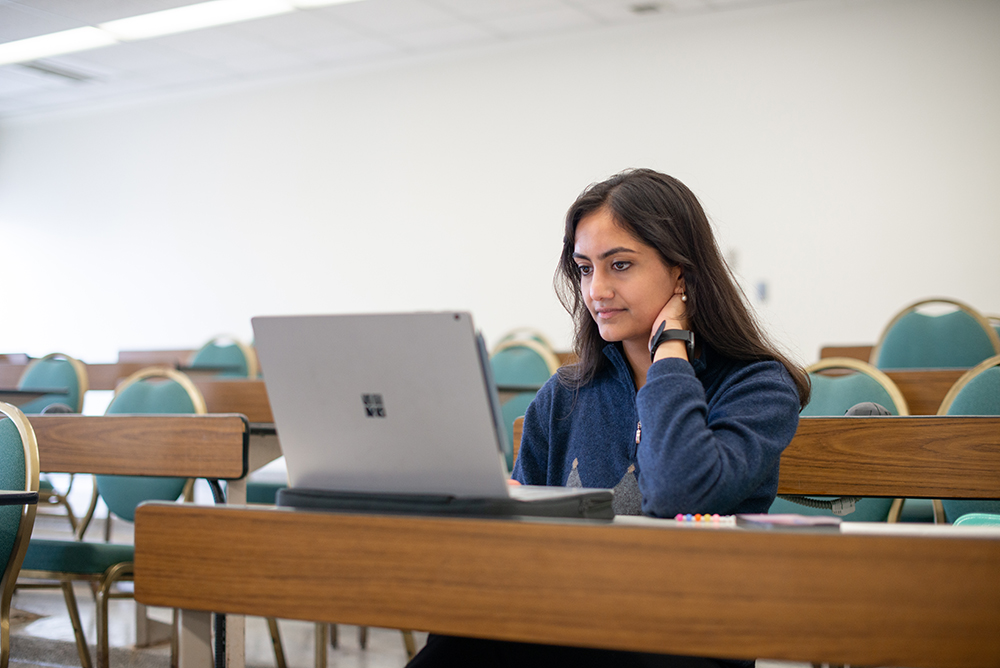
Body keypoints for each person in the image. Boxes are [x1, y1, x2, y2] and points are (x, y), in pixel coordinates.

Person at [406, 168, 810, 668]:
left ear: (681, 274)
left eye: (619, 265)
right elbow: (518, 537)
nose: (595, 289)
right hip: (568, 616)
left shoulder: (756, 386)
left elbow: (681, 491)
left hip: (691, 631)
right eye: (584, 268)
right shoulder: (565, 394)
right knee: (456, 642)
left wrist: (671, 352)